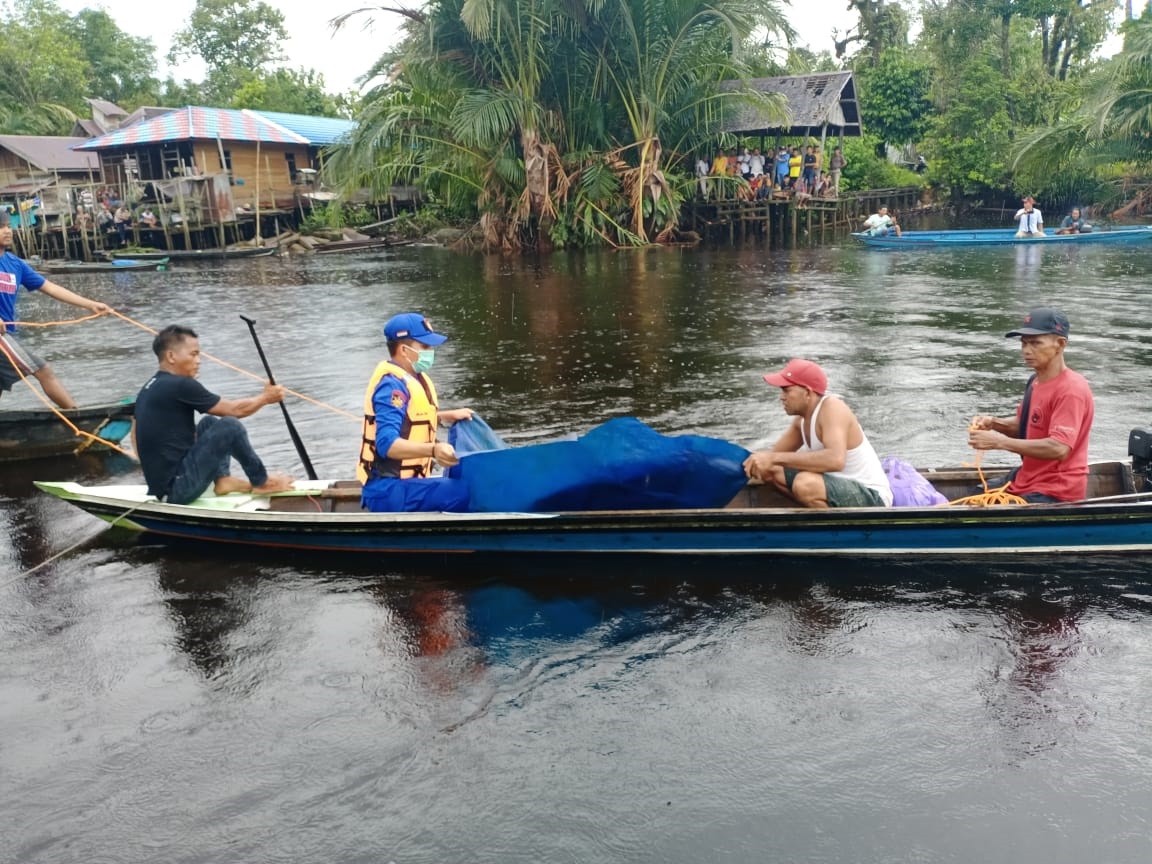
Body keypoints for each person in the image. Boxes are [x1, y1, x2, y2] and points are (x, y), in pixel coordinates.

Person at [133, 324, 295, 504]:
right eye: (193, 354)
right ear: (171, 356)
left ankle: (222, 480)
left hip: (167, 484)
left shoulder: (152, 385)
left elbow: (138, 427)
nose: (199, 360)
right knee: (230, 425)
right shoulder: (180, 385)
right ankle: (262, 482)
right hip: (176, 491)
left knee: (209, 422)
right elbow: (235, 410)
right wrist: (266, 398)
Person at [968, 308, 1094, 503]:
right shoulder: (1035, 381)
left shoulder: (1071, 389)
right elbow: (1026, 426)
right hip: (1029, 477)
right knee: (975, 495)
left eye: (1035, 343)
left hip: (1055, 489)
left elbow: (1059, 448)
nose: (1027, 350)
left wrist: (998, 442)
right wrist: (994, 423)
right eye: (1024, 343)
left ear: (1060, 344)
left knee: (986, 511)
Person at [358, 313, 475, 513]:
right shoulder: (391, 387)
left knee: (467, 478)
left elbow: (411, 419)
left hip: (405, 485)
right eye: (425, 347)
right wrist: (433, 450)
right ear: (404, 350)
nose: (431, 351)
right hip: (386, 489)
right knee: (463, 491)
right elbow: (387, 444)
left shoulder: (415, 378)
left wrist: (445, 415)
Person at [743, 358, 893, 508]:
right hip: (832, 487)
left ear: (807, 392)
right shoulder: (800, 422)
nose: (782, 397)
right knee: (767, 470)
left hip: (871, 496)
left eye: (787, 390)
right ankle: (814, 513)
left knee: (805, 483)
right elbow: (770, 460)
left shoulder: (832, 408)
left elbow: (835, 460)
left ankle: (837, 529)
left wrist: (773, 458)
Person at [0, 210, 109, 409]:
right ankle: (77, 419)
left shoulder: (15, 264)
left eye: (8, 226)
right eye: (1, 227)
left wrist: (89, 304)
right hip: (1, 338)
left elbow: (50, 288)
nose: (7, 231)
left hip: (8, 333)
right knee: (43, 370)